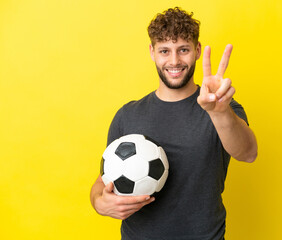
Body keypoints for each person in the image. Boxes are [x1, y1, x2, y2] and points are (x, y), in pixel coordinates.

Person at [90, 7, 257, 240]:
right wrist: (99, 202)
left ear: (197, 50)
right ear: (152, 52)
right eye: (165, 51)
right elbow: (103, 179)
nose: (174, 61)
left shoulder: (222, 107)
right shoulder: (127, 115)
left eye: (183, 50)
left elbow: (248, 153)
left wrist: (219, 113)